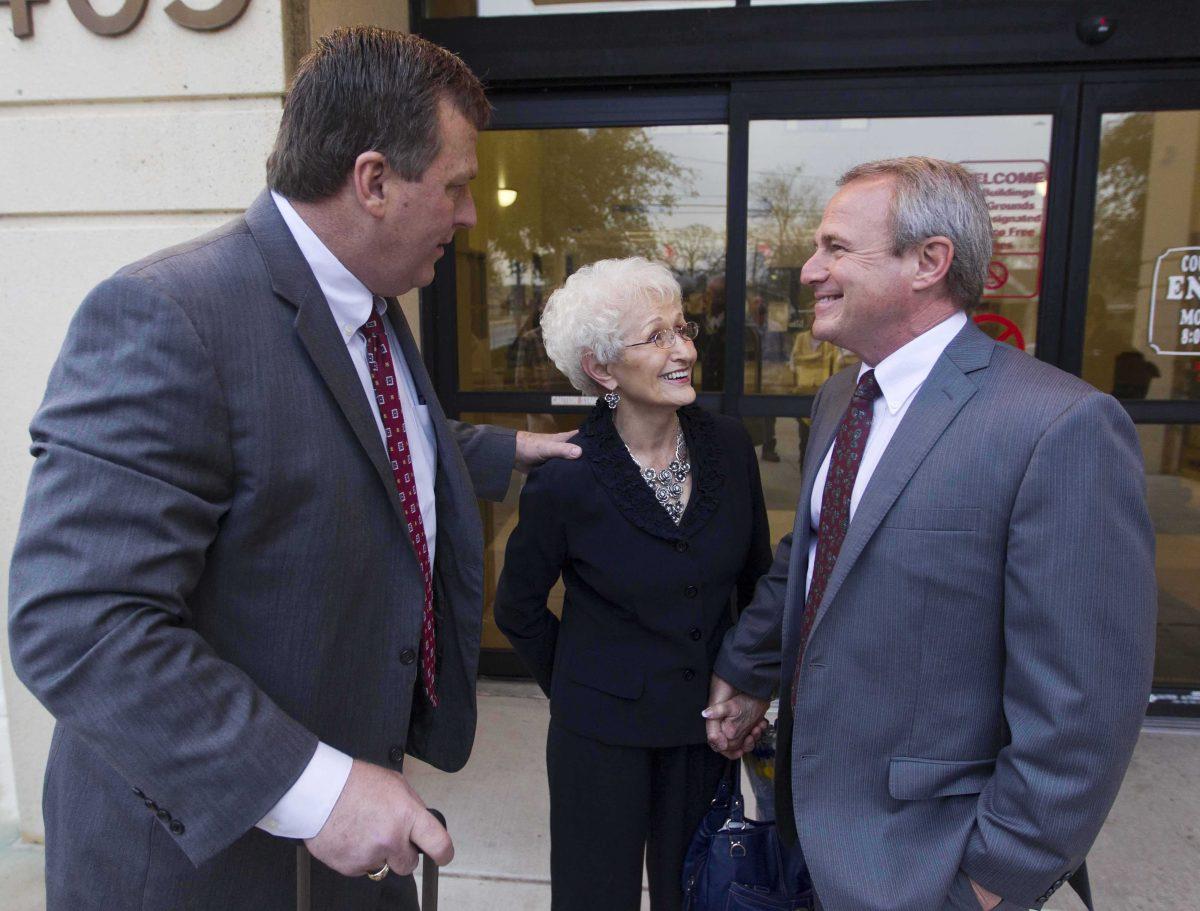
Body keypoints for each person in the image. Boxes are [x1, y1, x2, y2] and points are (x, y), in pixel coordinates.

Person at [7, 27, 578, 911]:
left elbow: (359, 440)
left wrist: (503, 451)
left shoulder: (373, 303)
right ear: (375, 181)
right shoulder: (169, 316)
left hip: (342, 857)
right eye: (457, 188)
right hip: (202, 871)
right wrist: (317, 787)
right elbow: (78, 619)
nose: (470, 216)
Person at [704, 157, 1156, 911]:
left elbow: (1084, 709)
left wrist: (990, 880)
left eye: (837, 248)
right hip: (810, 834)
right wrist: (749, 667)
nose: (810, 269)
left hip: (929, 865)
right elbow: (817, 551)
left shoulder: (1059, 427)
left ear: (929, 261)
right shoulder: (841, 394)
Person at [493, 257, 771, 911]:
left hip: (703, 734)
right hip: (600, 740)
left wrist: (751, 682)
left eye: (683, 329)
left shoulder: (730, 446)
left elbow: (759, 584)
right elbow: (518, 607)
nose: (683, 351)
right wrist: (584, 683)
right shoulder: (567, 478)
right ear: (602, 368)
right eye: (657, 336)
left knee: (700, 896)